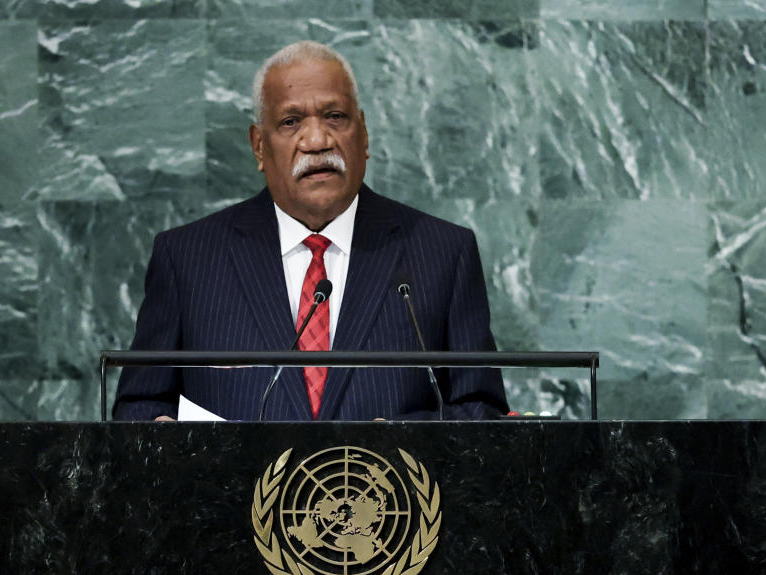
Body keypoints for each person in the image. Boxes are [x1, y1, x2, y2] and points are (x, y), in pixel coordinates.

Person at [113, 41, 509, 421]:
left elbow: (481, 408)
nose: (318, 140)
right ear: (259, 147)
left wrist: (397, 440)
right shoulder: (187, 260)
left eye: (335, 117)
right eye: (291, 121)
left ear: (364, 133)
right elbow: (140, 407)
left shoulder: (442, 253)